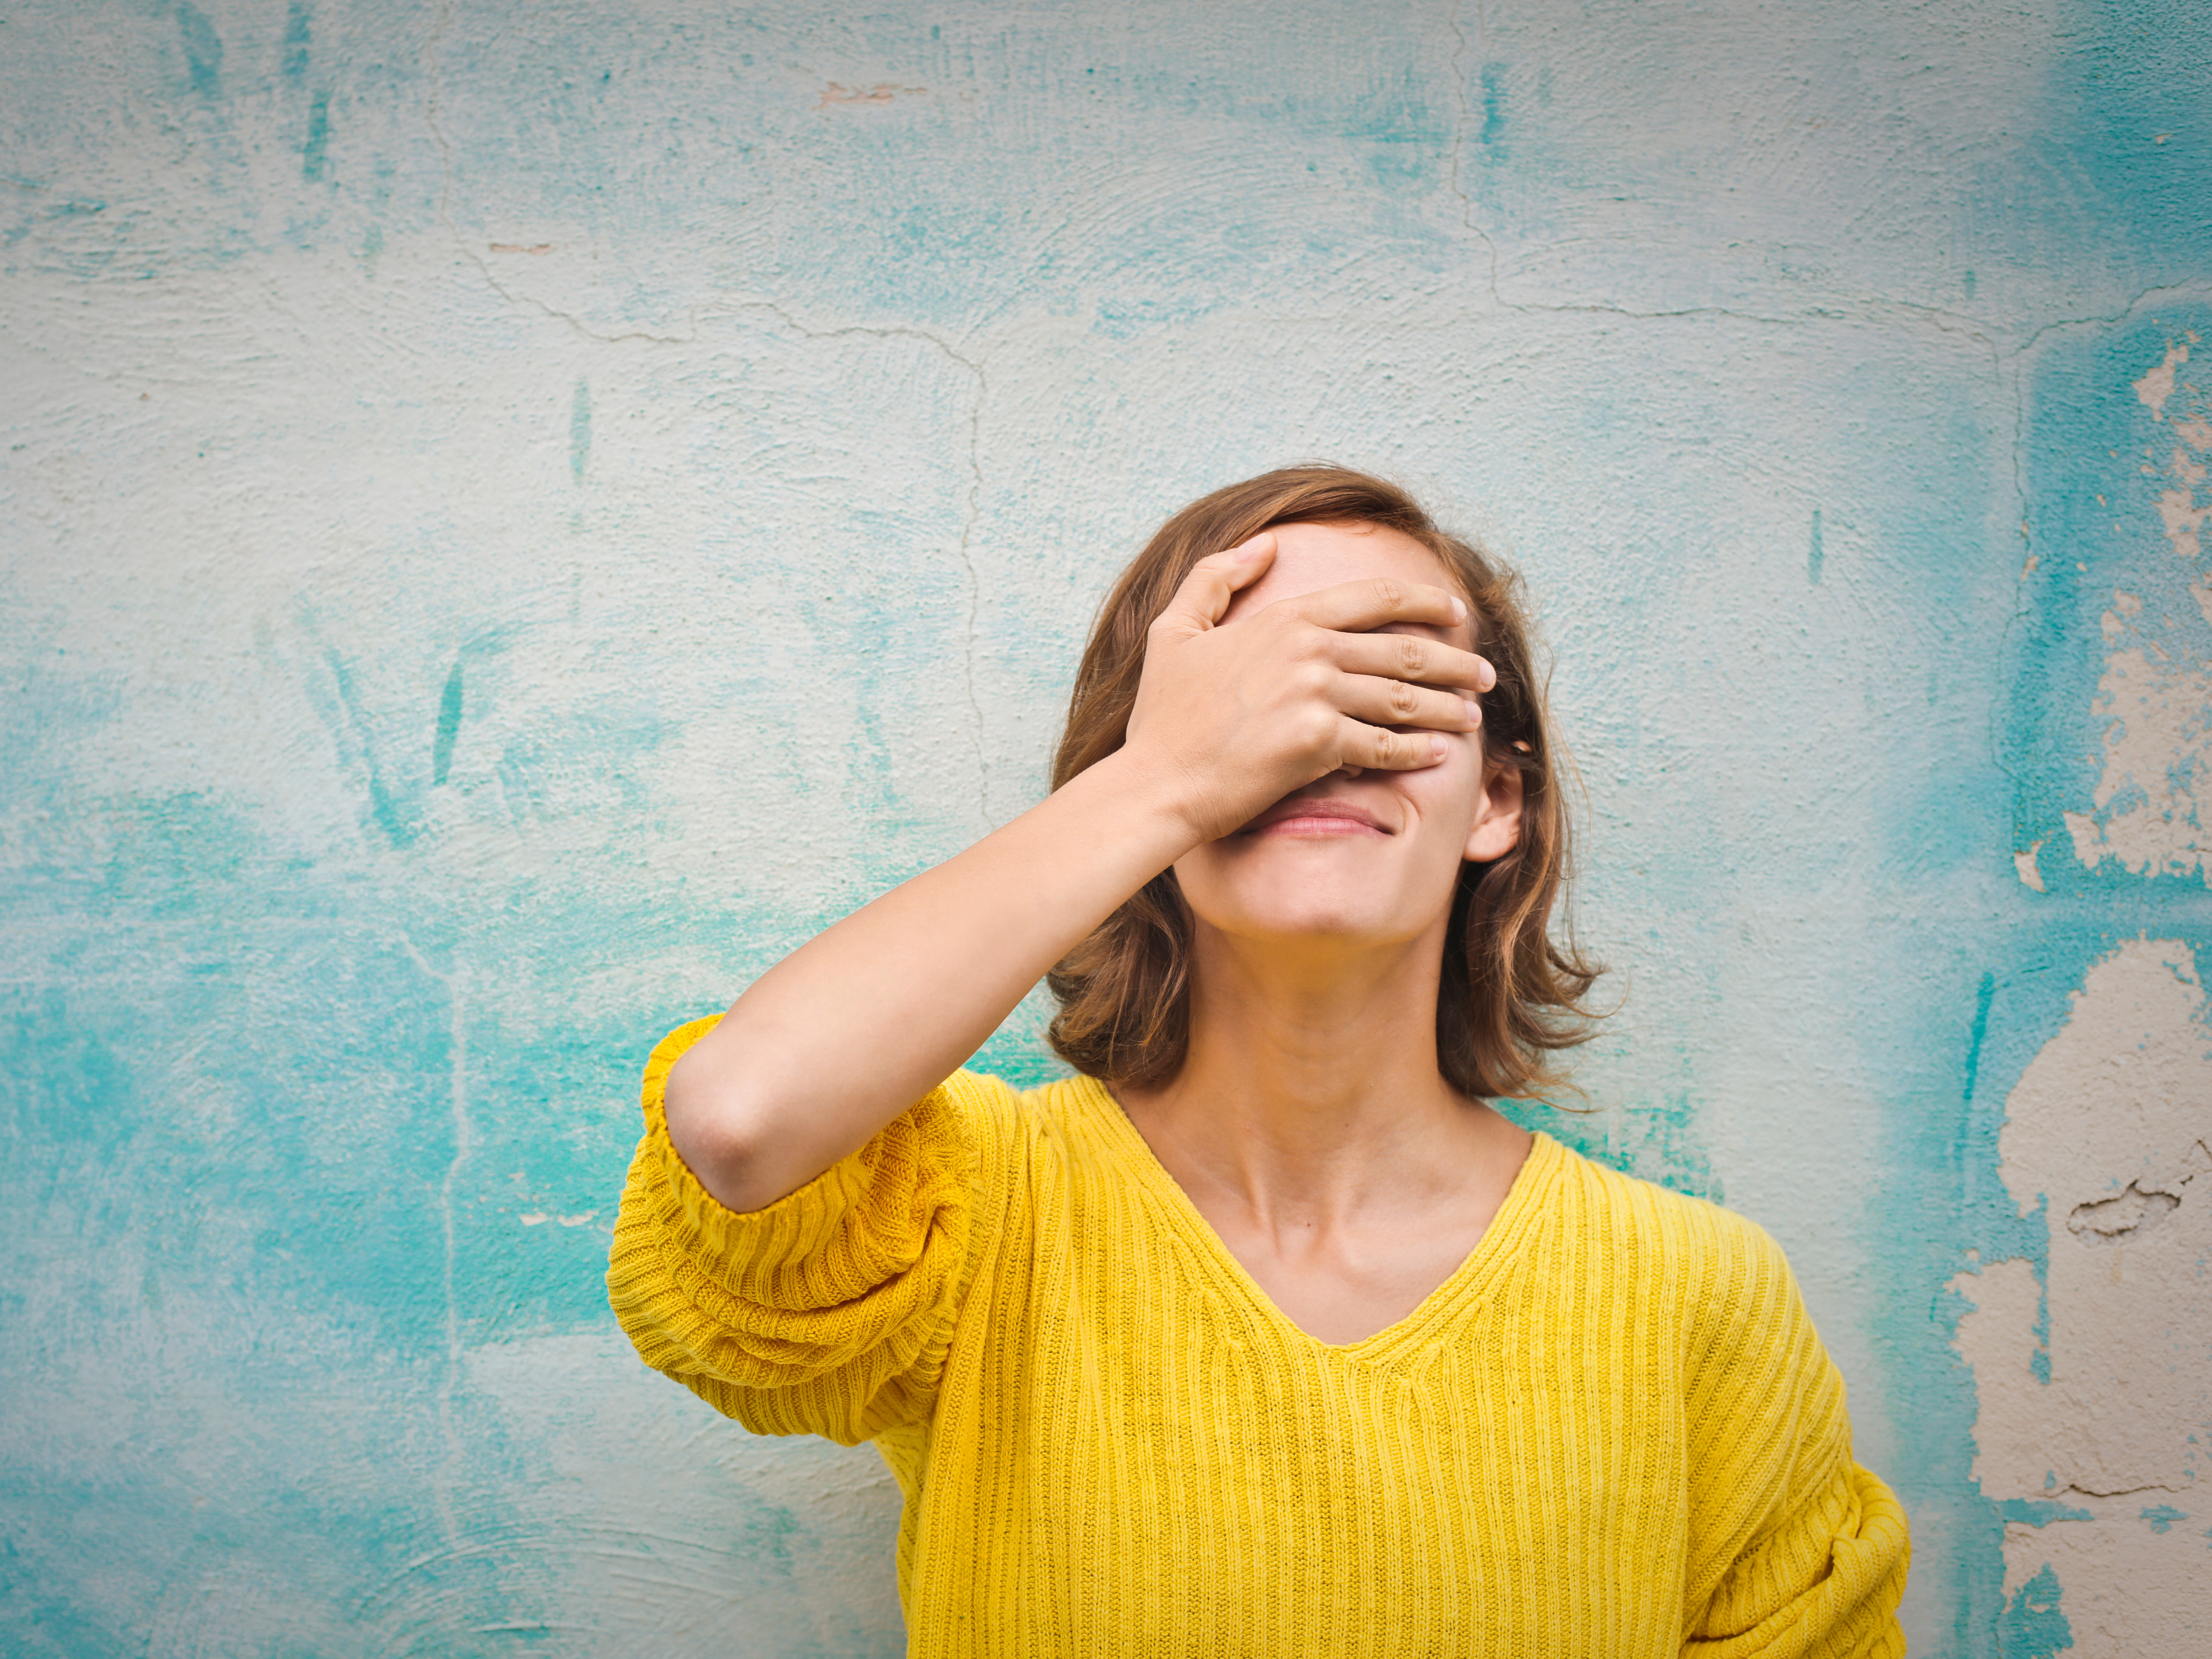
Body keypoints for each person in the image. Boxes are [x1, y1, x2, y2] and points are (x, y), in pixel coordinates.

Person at [607, 465, 1910, 1656]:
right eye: (1253, 686)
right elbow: (740, 1121)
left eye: (1392, 677)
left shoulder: (1695, 1298)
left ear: (1499, 800)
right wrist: (1171, 778)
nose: (1317, 730)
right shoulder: (974, 1212)